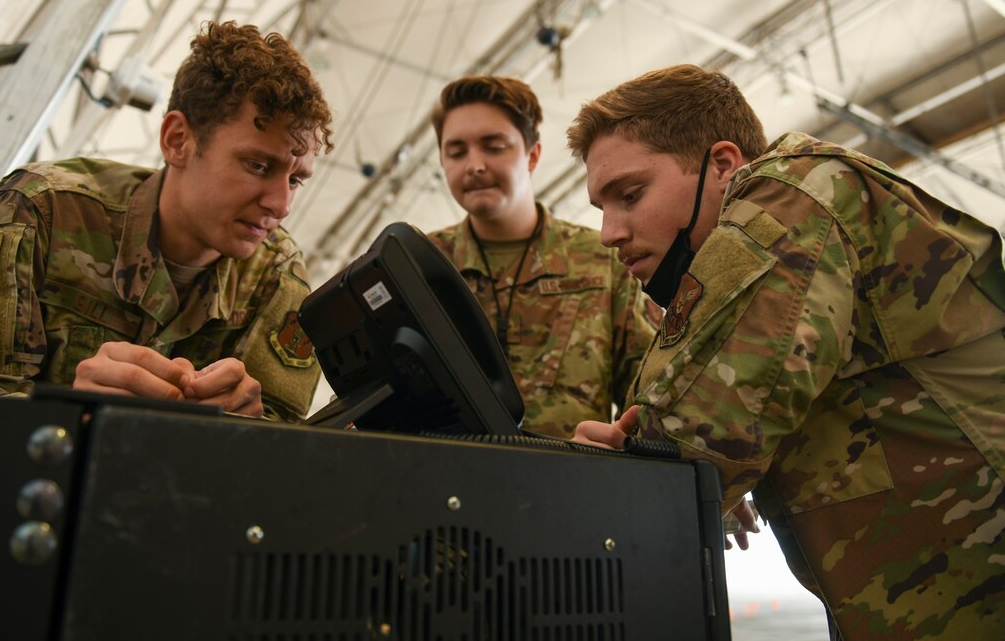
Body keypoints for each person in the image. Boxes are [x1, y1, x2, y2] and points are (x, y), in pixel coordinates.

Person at [567, 64, 1005, 638]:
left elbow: (698, 437)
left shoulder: (797, 194)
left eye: (629, 195)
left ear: (723, 166)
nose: (609, 232)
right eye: (601, 208)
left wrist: (617, 463)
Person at [0, 21, 333, 422]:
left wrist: (248, 424)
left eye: (296, 179)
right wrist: (65, 412)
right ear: (177, 140)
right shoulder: (43, 210)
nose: (281, 205)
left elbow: (287, 453)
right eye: (258, 165)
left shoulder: (277, 276)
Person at [427, 75, 659, 438]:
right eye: (456, 152)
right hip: (445, 484)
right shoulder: (419, 265)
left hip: (568, 484)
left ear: (532, 155)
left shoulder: (604, 259)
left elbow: (647, 396)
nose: (474, 165)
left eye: (494, 146)